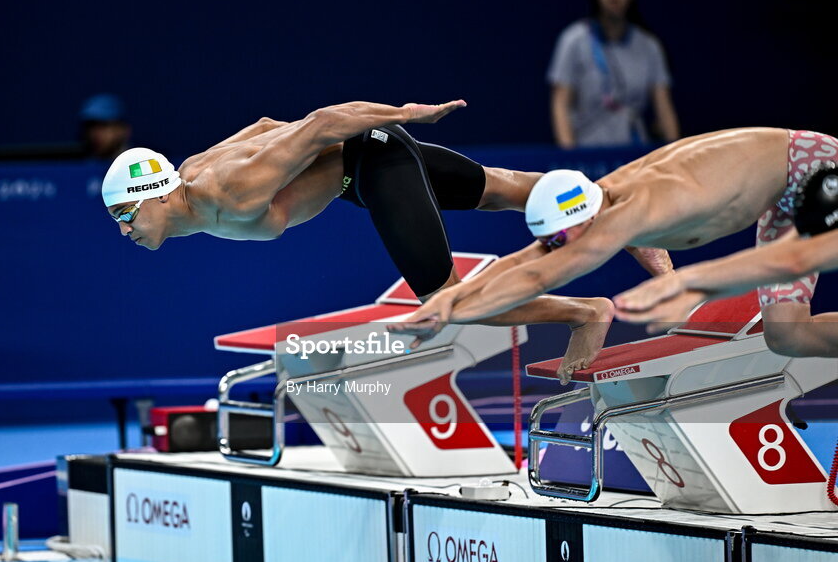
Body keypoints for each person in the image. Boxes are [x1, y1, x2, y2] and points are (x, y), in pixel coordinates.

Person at [100, 99, 671, 381]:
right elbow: (268, 127)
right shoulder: (194, 172)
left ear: (153, 192)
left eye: (125, 216)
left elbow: (321, 122)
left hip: (372, 158)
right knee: (500, 190)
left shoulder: (226, 190)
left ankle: (584, 311)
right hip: (362, 166)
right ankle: (623, 214)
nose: (124, 232)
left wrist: (407, 114)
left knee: (445, 301)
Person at [390, 128, 838, 371]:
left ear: (585, 223)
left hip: (818, 170)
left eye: (566, 241)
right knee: (787, 335)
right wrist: (445, 300)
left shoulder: (630, 214)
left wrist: (447, 314)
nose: (561, 251)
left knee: (800, 265)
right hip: (786, 192)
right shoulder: (594, 198)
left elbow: (537, 277)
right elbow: (526, 260)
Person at [614, 161, 838, 349]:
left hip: (806, 170)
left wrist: (685, 284)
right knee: (785, 332)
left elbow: (792, 262)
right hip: (794, 175)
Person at [548, 0, 679, 148]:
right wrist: (570, 158)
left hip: (635, 153)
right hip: (588, 153)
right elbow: (560, 103)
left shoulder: (649, 46)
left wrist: (675, 156)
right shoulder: (573, 41)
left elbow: (664, 107)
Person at [79, 93, 131, 159]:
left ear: (123, 130)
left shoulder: (140, 162)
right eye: (91, 126)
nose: (96, 133)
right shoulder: (82, 165)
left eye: (103, 126)